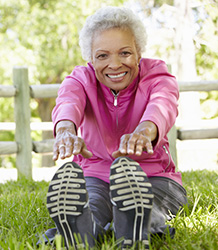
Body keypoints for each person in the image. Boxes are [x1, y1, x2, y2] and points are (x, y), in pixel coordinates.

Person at [42, 6, 187, 249]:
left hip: (155, 177)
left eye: (125, 53)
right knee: (92, 206)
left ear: (139, 52)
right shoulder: (81, 78)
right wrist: (66, 130)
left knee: (149, 206)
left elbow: (163, 104)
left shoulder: (157, 75)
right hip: (95, 175)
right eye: (103, 56)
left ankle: (135, 225)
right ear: (90, 58)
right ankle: (80, 232)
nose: (115, 64)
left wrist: (144, 131)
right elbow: (68, 102)